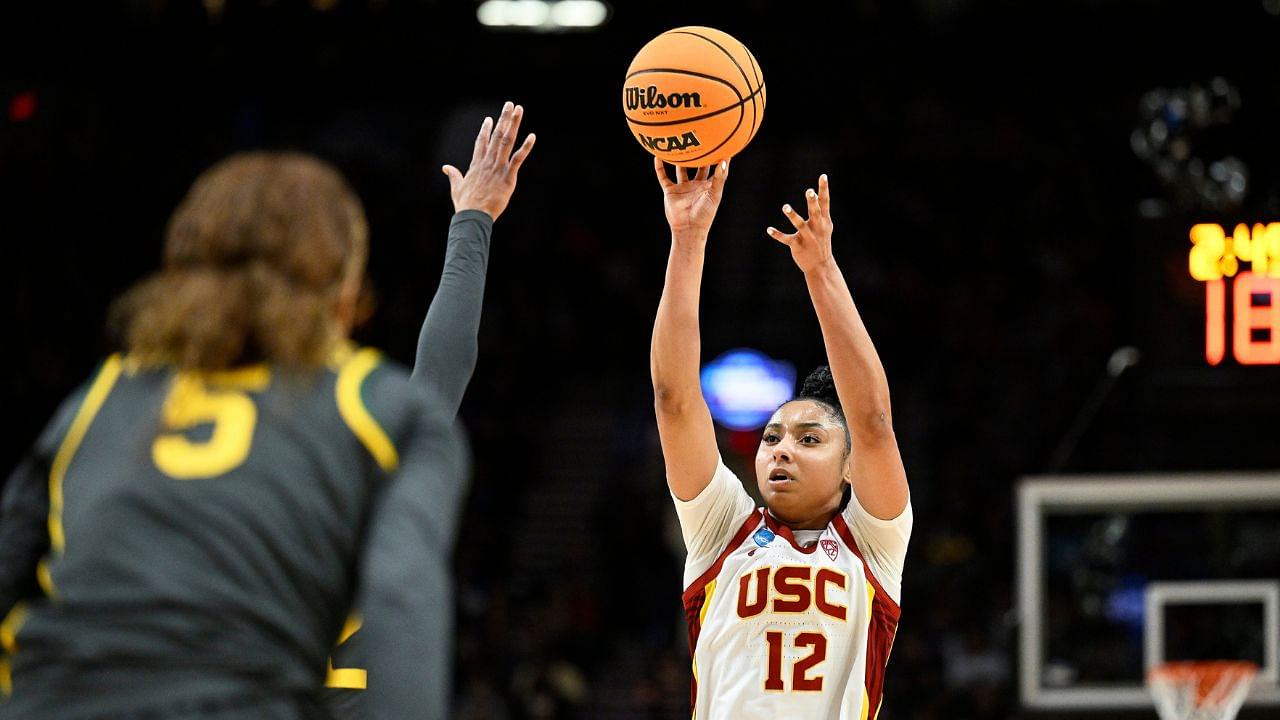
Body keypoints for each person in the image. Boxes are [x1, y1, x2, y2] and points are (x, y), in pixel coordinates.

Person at [0, 101, 534, 720]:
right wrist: (472, 222)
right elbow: (404, 605)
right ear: (343, 290)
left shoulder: (100, 401)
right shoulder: (368, 412)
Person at [649, 158, 912, 719]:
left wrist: (821, 271)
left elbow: (873, 424)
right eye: (773, 437)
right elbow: (674, 400)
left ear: (849, 468)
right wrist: (688, 238)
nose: (782, 449)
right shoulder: (721, 530)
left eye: (810, 438)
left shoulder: (874, 545)